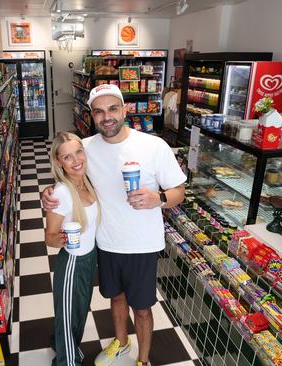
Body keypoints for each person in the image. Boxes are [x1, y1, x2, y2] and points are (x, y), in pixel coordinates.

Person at [42, 84, 187, 366]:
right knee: (116, 299)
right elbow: (68, 169)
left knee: (143, 310)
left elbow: (178, 191)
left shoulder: (153, 146)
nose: (106, 117)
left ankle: (143, 360)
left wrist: (158, 197)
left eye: (112, 109)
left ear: (125, 110)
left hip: (142, 243)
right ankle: (121, 344)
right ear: (92, 115)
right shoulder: (86, 148)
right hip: (106, 242)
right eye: (98, 111)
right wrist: (49, 193)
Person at [45, 132, 100, 366]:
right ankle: (67, 360)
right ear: (59, 162)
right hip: (72, 263)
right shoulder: (61, 193)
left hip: (89, 259)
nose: (76, 160)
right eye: (67, 157)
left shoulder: (88, 180)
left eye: (78, 152)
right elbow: (49, 237)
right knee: (68, 318)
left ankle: (61, 343)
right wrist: (64, 240)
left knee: (78, 312)